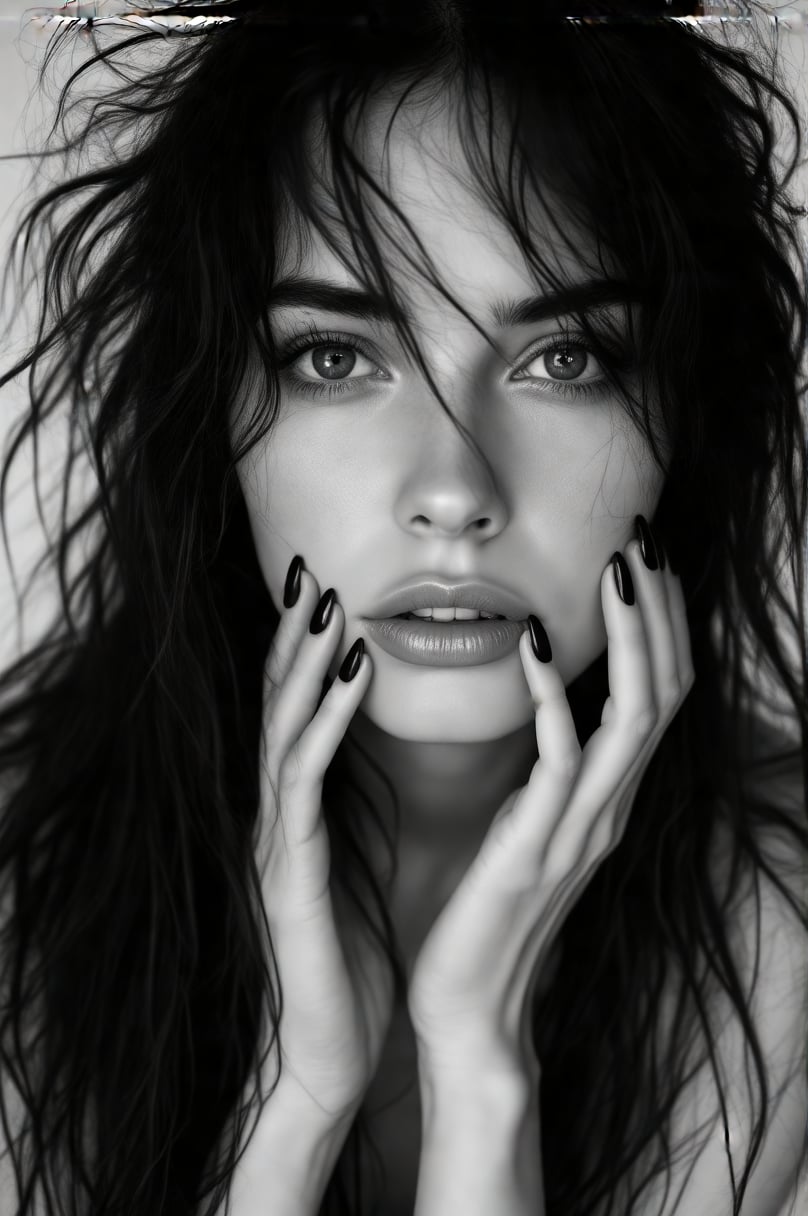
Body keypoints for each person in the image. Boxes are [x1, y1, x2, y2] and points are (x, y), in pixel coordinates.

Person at [0, 1, 806, 1213]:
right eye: (334, 356)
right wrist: (295, 1095)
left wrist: (482, 1067)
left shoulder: (776, 897)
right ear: (212, 413)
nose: (451, 491)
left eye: (567, 356)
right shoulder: (24, 855)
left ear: (680, 419)